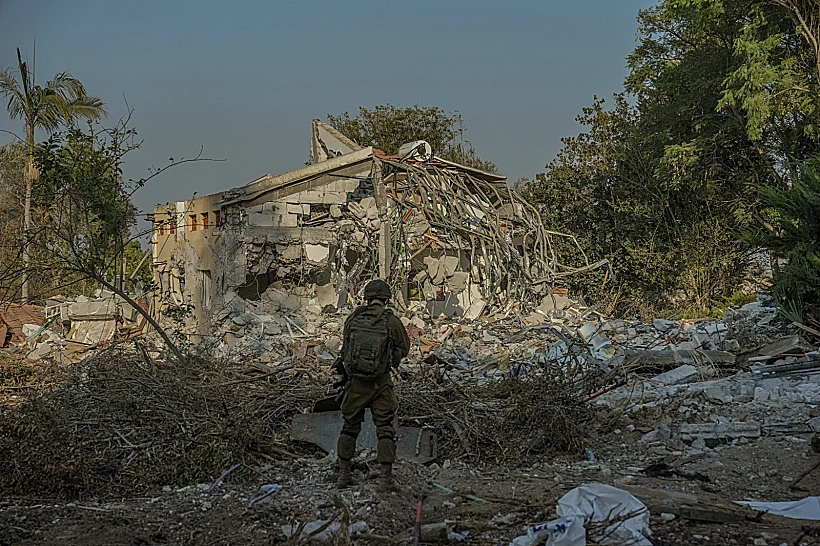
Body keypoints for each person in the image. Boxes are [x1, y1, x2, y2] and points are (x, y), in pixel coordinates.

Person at [332, 279, 410, 491]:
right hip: (380, 383)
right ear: (386, 298)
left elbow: (345, 348)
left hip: (355, 383)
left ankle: (344, 475)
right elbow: (404, 348)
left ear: (367, 298)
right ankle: (386, 480)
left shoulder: (354, 318)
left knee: (349, 427)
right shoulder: (391, 321)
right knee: (385, 430)